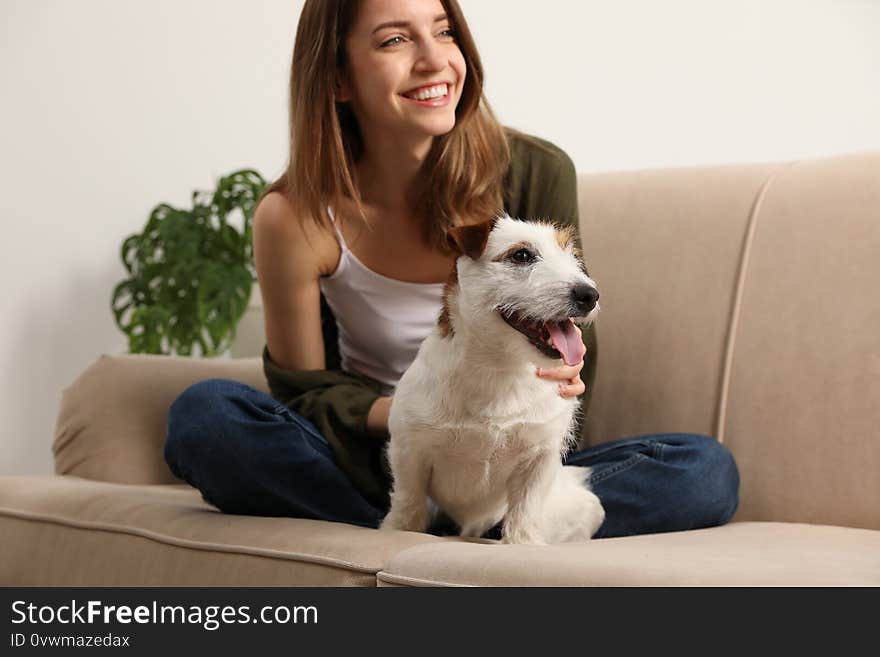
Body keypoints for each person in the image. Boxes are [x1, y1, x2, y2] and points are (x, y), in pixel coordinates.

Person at [164, 0, 739, 538]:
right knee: (207, 417)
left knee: (703, 471)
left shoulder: (535, 171)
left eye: (444, 31)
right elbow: (301, 391)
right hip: (382, 457)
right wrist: (417, 418)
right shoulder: (295, 215)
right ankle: (423, 516)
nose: (435, 59)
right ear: (337, 78)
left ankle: (493, 521)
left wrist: (526, 414)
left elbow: (571, 341)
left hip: (509, 453)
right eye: (394, 39)